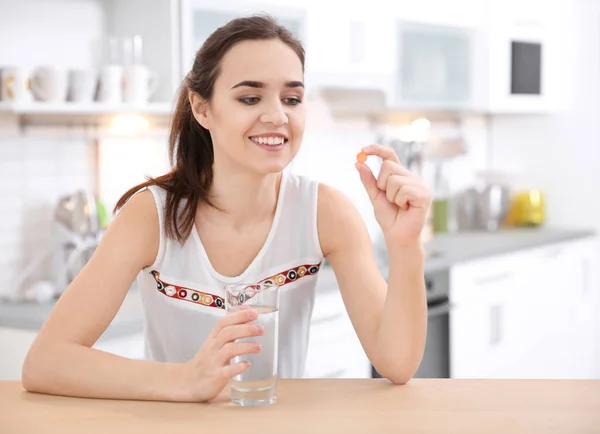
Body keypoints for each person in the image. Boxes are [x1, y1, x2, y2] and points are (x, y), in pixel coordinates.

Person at [22, 14, 431, 403]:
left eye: (292, 98)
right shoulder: (150, 216)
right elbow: (46, 362)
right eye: (250, 98)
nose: (277, 116)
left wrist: (405, 244)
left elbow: (396, 363)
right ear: (202, 109)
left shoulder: (325, 213)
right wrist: (185, 380)